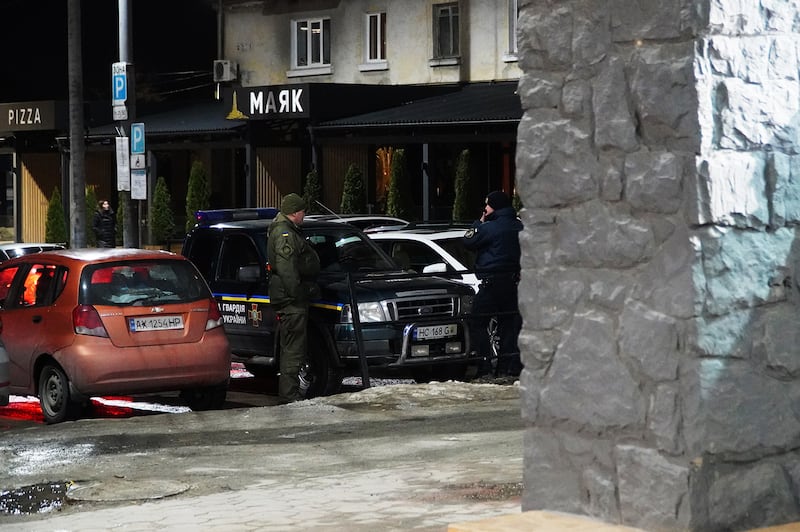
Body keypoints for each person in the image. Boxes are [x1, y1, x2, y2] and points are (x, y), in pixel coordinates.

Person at [462, 190, 523, 380]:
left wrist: (479, 222)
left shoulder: (490, 227)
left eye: (487, 205)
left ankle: (484, 368)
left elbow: (468, 240)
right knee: (508, 326)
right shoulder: (518, 226)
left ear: (493, 206)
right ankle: (506, 369)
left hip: (492, 283)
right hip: (513, 283)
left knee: (477, 323)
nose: (485, 209)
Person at [267, 193, 321, 404]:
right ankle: (290, 394)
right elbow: (287, 268)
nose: (304, 216)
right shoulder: (284, 234)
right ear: (295, 212)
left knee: (294, 347)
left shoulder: (287, 230)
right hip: (291, 301)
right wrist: (299, 293)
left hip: (290, 298)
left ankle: (291, 392)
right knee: (293, 349)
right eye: (303, 212)